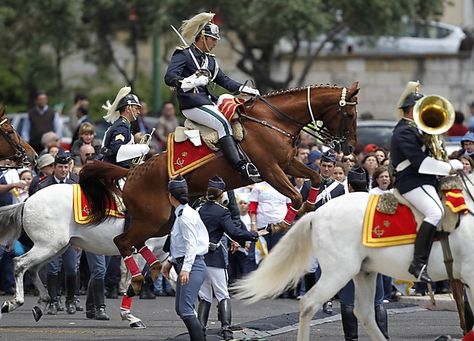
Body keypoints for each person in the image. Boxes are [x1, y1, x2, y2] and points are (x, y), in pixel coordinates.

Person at [164, 12, 260, 181]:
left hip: (207, 101)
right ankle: (240, 166)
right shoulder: (183, 55)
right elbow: (169, 78)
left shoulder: (211, 61)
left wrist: (246, 89)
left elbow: (225, 81)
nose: (215, 43)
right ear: (202, 37)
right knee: (222, 124)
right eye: (213, 39)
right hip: (191, 104)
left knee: (237, 117)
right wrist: (191, 82)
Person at [390, 81, 463, 283]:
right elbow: (419, 162)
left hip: (423, 179)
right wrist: (449, 166)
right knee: (435, 212)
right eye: (418, 108)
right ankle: (418, 263)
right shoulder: (403, 131)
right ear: (411, 109)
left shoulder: (415, 129)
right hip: (410, 181)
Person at [197, 176, 268, 340]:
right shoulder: (222, 212)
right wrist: (253, 235)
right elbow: (234, 232)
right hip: (215, 258)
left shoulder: (199, 209)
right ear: (222, 193)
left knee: (205, 296)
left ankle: (200, 328)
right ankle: (226, 328)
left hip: (200, 257)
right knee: (222, 294)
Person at [162, 174, 209, 341]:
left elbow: (191, 245)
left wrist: (186, 269)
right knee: (181, 309)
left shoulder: (185, 216)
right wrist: (170, 262)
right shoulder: (182, 213)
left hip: (192, 265)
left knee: (186, 309)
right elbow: (180, 244)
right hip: (187, 264)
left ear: (170, 196)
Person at [37, 150, 79, 315]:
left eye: (66, 166)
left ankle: (70, 300)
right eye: (60, 167)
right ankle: (54, 300)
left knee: (71, 268)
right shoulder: (43, 185)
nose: (63, 170)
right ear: (54, 167)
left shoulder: (76, 183)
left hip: (70, 234)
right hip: (50, 234)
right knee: (53, 269)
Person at [101, 86, 150, 168]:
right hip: (114, 172)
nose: (138, 112)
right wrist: (141, 148)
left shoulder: (124, 125)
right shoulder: (121, 126)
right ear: (128, 108)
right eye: (136, 108)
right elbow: (116, 148)